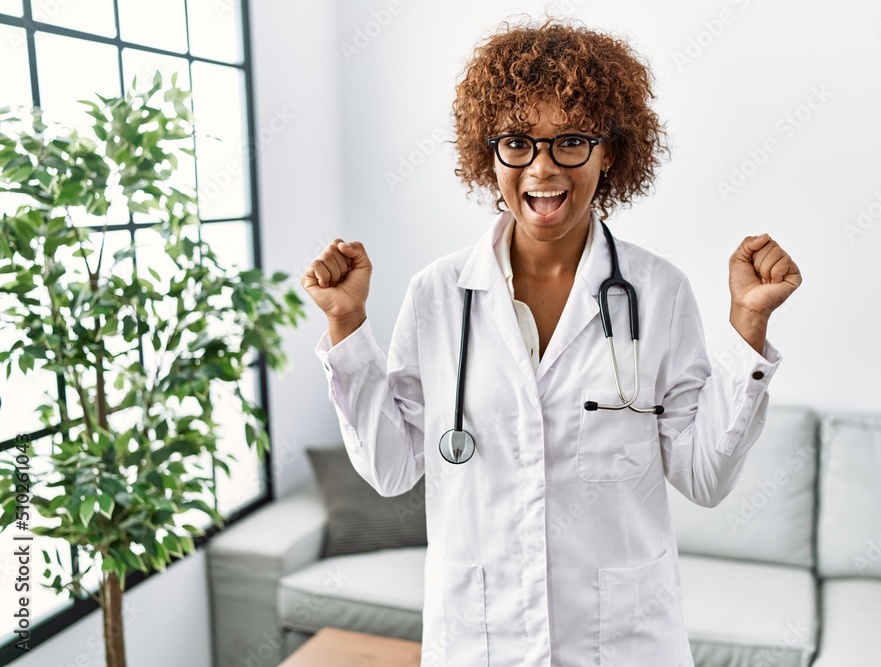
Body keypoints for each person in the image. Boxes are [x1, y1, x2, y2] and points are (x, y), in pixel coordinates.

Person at [302, 18, 801, 667]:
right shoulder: (438, 294)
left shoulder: (660, 292)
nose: (542, 168)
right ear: (491, 153)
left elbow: (703, 476)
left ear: (609, 151)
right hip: (482, 641)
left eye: (570, 141)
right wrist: (346, 326)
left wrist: (747, 327)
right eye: (518, 141)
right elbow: (392, 467)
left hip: (621, 644)